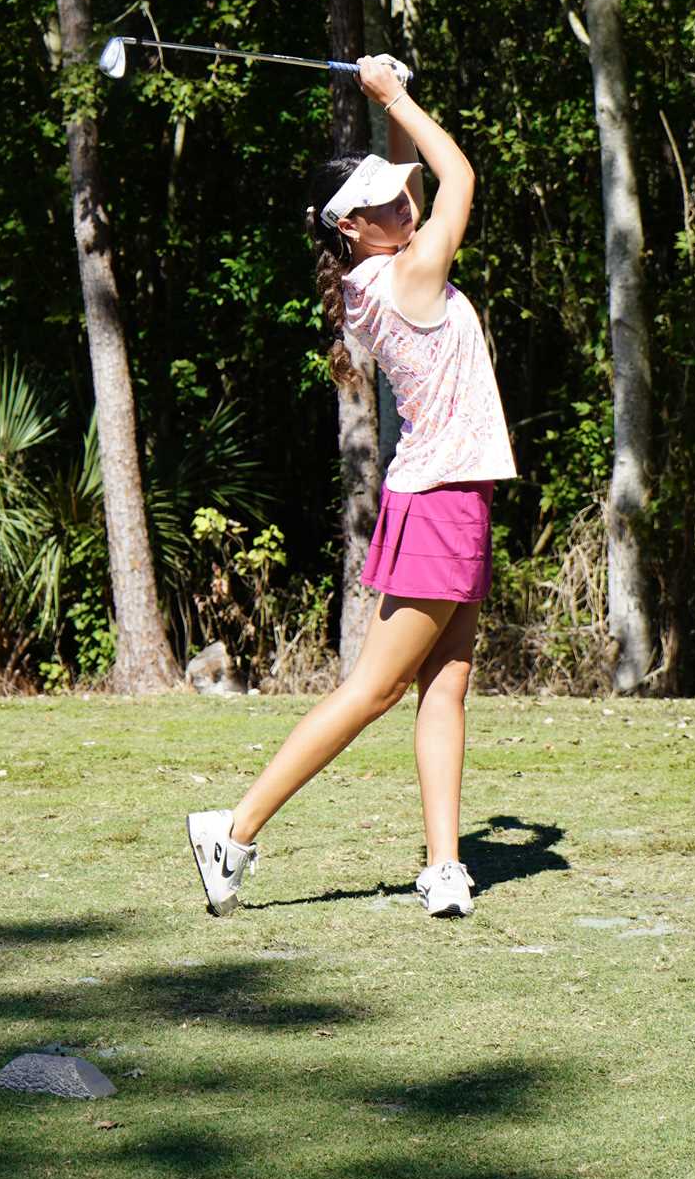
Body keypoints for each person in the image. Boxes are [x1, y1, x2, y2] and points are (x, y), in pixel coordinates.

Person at [187, 55, 516, 919]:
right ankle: (235, 828)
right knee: (371, 691)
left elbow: (421, 184)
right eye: (378, 204)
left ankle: (444, 866)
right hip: (441, 500)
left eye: (393, 195)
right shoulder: (408, 271)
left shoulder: (377, 272)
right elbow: (460, 176)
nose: (398, 205)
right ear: (353, 230)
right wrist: (395, 96)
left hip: (453, 495)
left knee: (445, 686)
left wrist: (388, 107)